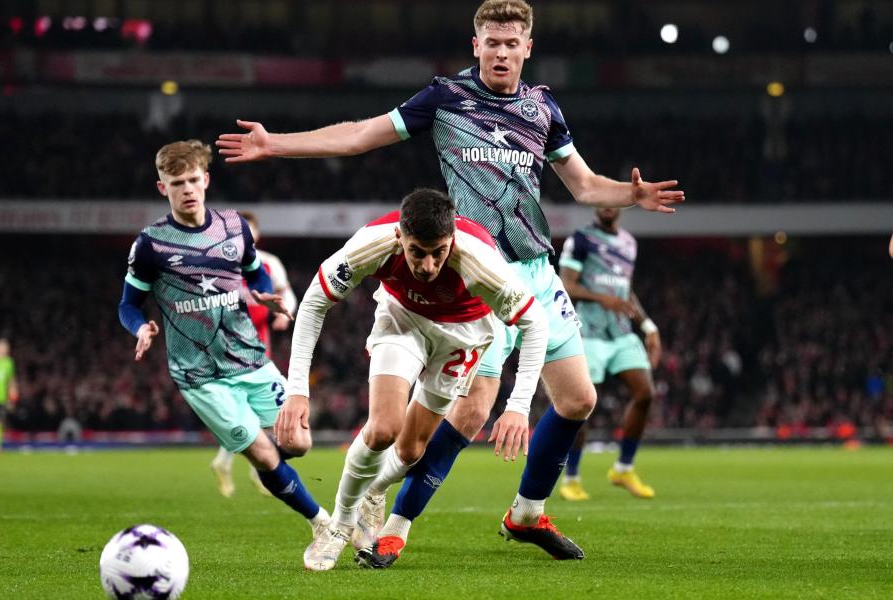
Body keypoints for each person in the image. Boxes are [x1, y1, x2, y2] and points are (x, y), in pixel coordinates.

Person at [217, 0, 683, 562]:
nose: (503, 52)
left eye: (513, 43)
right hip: (477, 276)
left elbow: (584, 186)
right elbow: (363, 135)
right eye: (493, 42)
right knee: (468, 412)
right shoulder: (445, 98)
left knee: (579, 400)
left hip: (536, 270)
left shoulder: (543, 108)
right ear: (476, 44)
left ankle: (527, 514)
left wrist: (629, 195)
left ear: (528, 49)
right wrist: (276, 144)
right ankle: (392, 529)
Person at [278, 189, 548, 571]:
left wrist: (518, 406)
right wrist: (297, 391)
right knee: (383, 429)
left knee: (410, 451)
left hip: (465, 333)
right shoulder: (372, 244)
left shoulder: (478, 259)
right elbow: (313, 303)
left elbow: (535, 323)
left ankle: (373, 491)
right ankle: (338, 526)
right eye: (417, 251)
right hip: (402, 321)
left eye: (438, 251)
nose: (428, 264)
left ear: (450, 239)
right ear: (399, 237)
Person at [118, 139, 329, 538]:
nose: (187, 189)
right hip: (200, 376)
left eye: (193, 179)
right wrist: (140, 327)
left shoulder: (234, 227)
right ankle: (322, 524)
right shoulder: (151, 244)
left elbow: (255, 273)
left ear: (206, 180)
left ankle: (261, 457)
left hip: (250, 358)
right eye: (176, 182)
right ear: (162, 188)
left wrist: (265, 291)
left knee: (298, 442)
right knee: (267, 456)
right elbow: (128, 305)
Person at [556, 207, 662, 501]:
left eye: (611, 200)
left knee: (645, 393)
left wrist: (648, 326)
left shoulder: (629, 243)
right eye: (600, 200)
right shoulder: (581, 239)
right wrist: (601, 298)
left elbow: (625, 292)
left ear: (621, 205)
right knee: (582, 405)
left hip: (621, 332)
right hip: (589, 331)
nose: (606, 205)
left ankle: (623, 468)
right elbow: (566, 284)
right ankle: (572, 478)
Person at [209, 210, 299, 498]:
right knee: (251, 406)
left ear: (257, 235)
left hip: (260, 344)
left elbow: (288, 294)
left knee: (250, 408)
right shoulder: (219, 267)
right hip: (228, 344)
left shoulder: (270, 263)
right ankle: (260, 468)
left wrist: (287, 313)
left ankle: (235, 463)